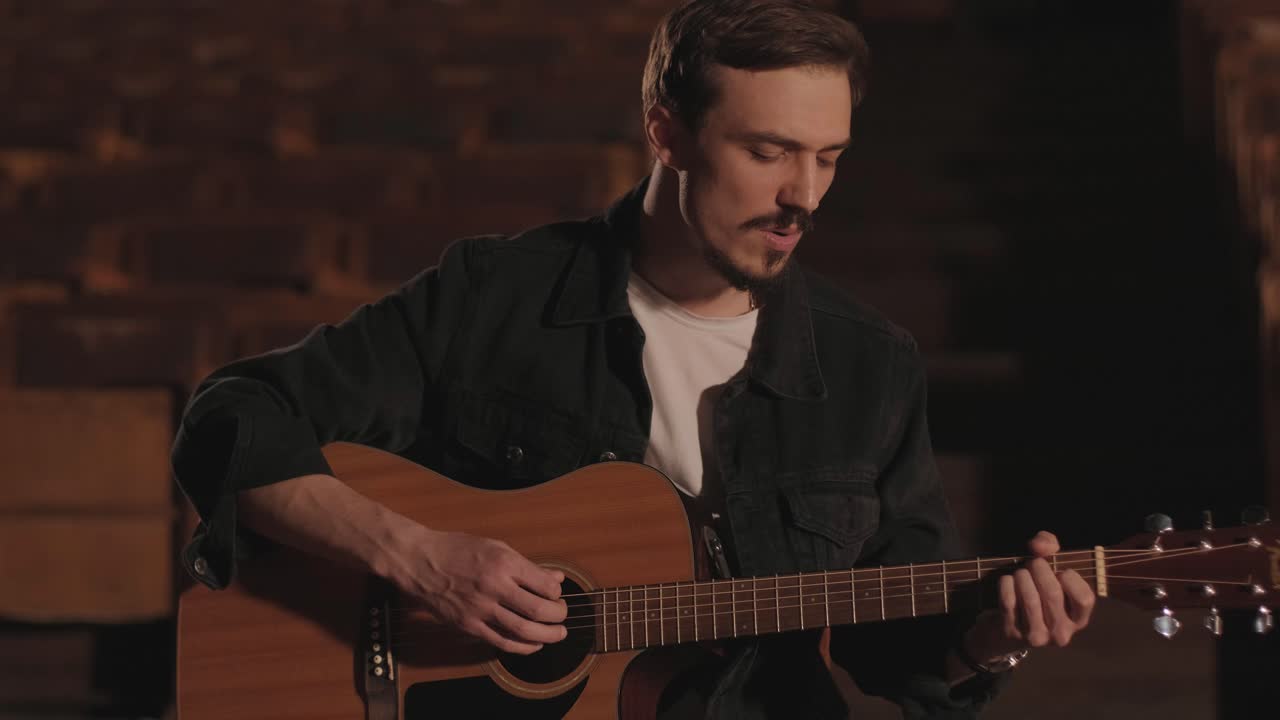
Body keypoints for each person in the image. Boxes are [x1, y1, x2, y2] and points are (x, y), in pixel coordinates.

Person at [171, 1, 1094, 717]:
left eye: (829, 157)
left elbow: (896, 656)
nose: (802, 197)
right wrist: (417, 557)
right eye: (769, 152)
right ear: (667, 133)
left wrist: (990, 640)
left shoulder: (869, 367)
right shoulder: (498, 296)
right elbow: (233, 421)